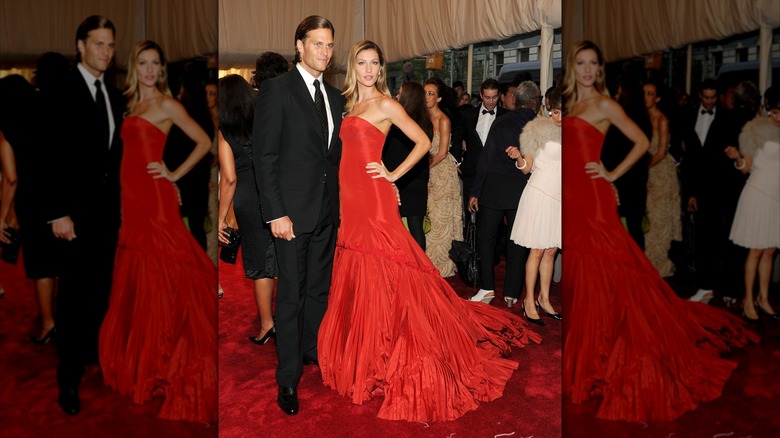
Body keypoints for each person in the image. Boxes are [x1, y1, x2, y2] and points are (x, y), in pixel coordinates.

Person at [317, 39, 540, 422]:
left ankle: (385, 343)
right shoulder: (348, 105)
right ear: (353, 67)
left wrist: (393, 176)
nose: (368, 70)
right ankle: (367, 344)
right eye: (362, 63)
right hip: (349, 201)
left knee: (387, 265)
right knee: (360, 266)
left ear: (380, 68)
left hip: (373, 196)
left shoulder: (387, 104)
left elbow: (422, 143)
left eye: (374, 63)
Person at [562, 40, 757, 423]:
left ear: (599, 69)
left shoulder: (605, 104)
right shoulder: (569, 105)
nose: (587, 69)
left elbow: (643, 141)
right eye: (581, 62)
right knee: (585, 277)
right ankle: (591, 344)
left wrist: (612, 173)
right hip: (571, 200)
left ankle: (610, 347)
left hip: (595, 199)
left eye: (593, 64)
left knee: (610, 269)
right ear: (573, 67)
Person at [97, 40, 216, 422]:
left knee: (165, 270)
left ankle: (165, 354)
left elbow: (205, 141)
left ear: (161, 69)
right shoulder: (130, 105)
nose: (149, 70)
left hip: (156, 199)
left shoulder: (167, 104)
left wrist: (174, 174)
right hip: (131, 205)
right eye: (143, 63)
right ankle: (143, 355)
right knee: (139, 274)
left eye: (155, 64)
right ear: (135, 67)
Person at [253, 15, 345, 416]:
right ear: (299, 46)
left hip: (325, 213)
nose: (324, 52)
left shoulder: (335, 96)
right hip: (289, 216)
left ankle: (310, 350)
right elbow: (265, 157)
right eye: (317, 44)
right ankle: (287, 378)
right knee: (290, 297)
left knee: (318, 292)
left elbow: (332, 158)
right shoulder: (277, 90)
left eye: (329, 45)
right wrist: (276, 213)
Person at [41, 16, 126, 416]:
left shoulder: (110, 90)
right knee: (73, 299)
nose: (106, 52)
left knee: (98, 291)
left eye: (110, 45)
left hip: (105, 217)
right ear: (80, 46)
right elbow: (48, 155)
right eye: (98, 44)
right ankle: (67, 380)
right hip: (71, 217)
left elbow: (110, 158)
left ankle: (89, 354)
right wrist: (57, 211)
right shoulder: (61, 87)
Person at [218, 55, 285, 346]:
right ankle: (285, 317)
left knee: (260, 265)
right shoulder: (264, 118)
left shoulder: (225, 133)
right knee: (282, 257)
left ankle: (267, 325)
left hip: (247, 197)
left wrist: (221, 217)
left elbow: (229, 179)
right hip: (273, 191)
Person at [0, 74, 62, 345]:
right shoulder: (49, 115)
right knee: (55, 261)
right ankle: (54, 316)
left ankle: (48, 325)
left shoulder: (8, 127)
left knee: (40, 266)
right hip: (57, 197)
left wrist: (1, 216)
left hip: (31, 200)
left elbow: (10, 178)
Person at [467, 81, 541, 306]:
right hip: (524, 190)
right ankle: (511, 293)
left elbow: (486, 160)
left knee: (486, 240)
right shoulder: (541, 126)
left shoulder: (500, 123)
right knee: (517, 242)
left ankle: (487, 289)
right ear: (534, 102)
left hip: (494, 189)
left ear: (515, 101)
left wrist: (475, 191)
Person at [680, 78, 743, 302]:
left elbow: (730, 158)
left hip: (721, 189)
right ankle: (704, 287)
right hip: (699, 188)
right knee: (702, 241)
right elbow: (689, 161)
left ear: (718, 97)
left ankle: (727, 290)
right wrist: (690, 193)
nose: (709, 102)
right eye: (705, 97)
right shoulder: (688, 117)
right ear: (700, 96)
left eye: (713, 97)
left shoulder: (728, 119)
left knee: (723, 241)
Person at [508, 85, 563, 326]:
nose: (559, 118)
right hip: (540, 193)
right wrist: (518, 157)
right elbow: (527, 168)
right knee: (538, 249)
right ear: (548, 108)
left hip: (560, 197)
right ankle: (528, 301)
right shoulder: (536, 128)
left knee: (552, 250)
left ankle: (544, 298)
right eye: (556, 112)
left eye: (565, 113)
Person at [725, 85, 780, 321]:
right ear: (766, 108)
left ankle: (763, 298)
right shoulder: (753, 129)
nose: (777, 118)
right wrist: (737, 157)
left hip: (777, 196)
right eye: (774, 112)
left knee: (770, 250)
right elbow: (745, 168)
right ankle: (748, 298)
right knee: (756, 250)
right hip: (758, 193)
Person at [382, 81, 432, 250]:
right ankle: (421, 270)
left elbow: (388, 152)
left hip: (399, 179)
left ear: (408, 97)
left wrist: (390, 174)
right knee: (416, 227)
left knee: (396, 227)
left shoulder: (398, 122)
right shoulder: (425, 121)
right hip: (417, 179)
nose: (396, 96)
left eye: (400, 93)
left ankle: (405, 268)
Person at [423, 77, 462, 276]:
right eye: (425, 93)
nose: (427, 97)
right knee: (427, 218)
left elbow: (442, 152)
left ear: (438, 99)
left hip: (441, 173)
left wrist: (424, 169)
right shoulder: (420, 118)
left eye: (431, 93)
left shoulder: (443, 120)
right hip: (426, 173)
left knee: (441, 219)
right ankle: (427, 262)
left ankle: (442, 266)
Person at [643, 80, 682, 277]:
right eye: (644, 92)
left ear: (657, 98)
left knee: (660, 222)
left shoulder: (662, 120)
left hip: (661, 174)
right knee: (647, 222)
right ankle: (647, 269)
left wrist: (642, 169)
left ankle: (659, 270)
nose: (646, 96)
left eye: (650, 93)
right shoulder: (639, 118)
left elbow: (660, 153)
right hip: (646, 173)